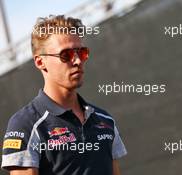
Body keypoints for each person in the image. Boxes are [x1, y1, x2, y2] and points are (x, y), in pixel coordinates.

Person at [1, 15, 127, 175]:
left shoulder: (105, 120)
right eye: (66, 55)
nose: (77, 61)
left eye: (81, 53)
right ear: (40, 62)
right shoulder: (25, 124)